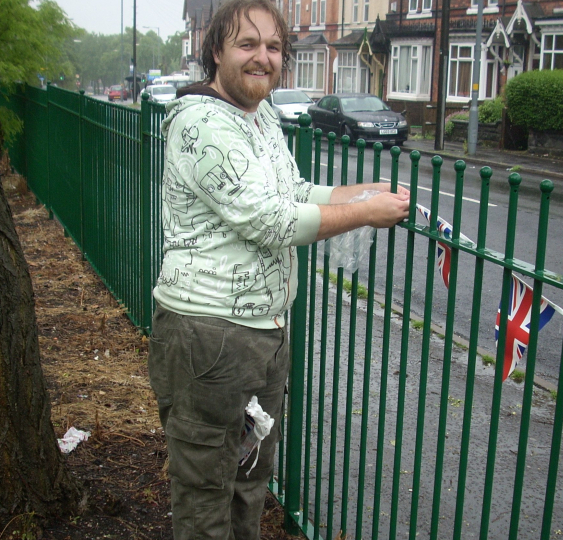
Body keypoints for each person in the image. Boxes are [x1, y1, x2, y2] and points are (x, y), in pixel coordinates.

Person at [147, 0, 410, 538]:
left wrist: (359, 191)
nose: (262, 57)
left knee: (250, 475)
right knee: (204, 489)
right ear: (215, 50)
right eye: (247, 44)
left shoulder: (260, 115)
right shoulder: (200, 123)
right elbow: (268, 221)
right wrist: (364, 213)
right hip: (207, 337)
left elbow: (290, 193)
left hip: (265, 334)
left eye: (272, 47)